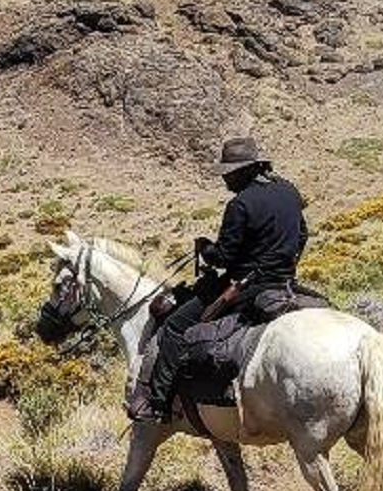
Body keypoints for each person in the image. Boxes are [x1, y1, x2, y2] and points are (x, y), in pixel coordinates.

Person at [126, 137, 310, 423]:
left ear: (245, 170)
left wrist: (205, 248)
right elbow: (302, 235)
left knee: (175, 325)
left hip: (245, 287)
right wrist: (286, 263)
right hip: (285, 280)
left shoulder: (241, 204)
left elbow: (223, 257)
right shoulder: (288, 190)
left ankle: (158, 403)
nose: (225, 178)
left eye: (229, 172)